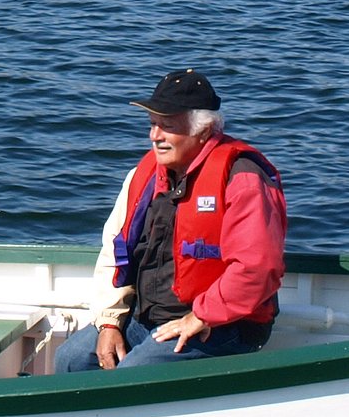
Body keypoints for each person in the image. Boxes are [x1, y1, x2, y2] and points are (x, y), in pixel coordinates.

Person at [55, 69, 288, 372]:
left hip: (222, 326)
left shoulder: (242, 178)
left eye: (167, 126)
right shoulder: (144, 175)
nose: (155, 136)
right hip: (149, 317)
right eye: (152, 124)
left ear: (202, 131)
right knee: (71, 360)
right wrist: (110, 322)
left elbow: (257, 268)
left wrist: (200, 317)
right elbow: (116, 250)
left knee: (132, 373)